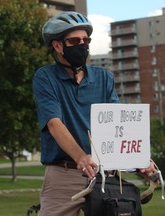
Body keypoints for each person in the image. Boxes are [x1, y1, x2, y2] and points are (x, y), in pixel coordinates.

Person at [32, 11, 156, 216]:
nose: (82, 44)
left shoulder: (103, 78)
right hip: (64, 172)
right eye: (74, 40)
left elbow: (119, 125)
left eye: (85, 39)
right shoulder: (45, 77)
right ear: (57, 46)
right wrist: (80, 157)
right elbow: (54, 123)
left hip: (105, 174)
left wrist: (139, 158)